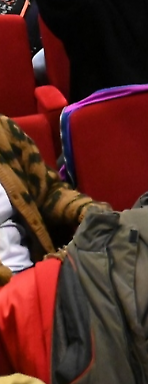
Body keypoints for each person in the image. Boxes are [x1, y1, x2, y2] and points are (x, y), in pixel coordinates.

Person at [0, 115, 108, 288]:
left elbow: (48, 191)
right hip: (13, 293)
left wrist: (87, 211)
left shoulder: (3, 131)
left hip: (37, 278)